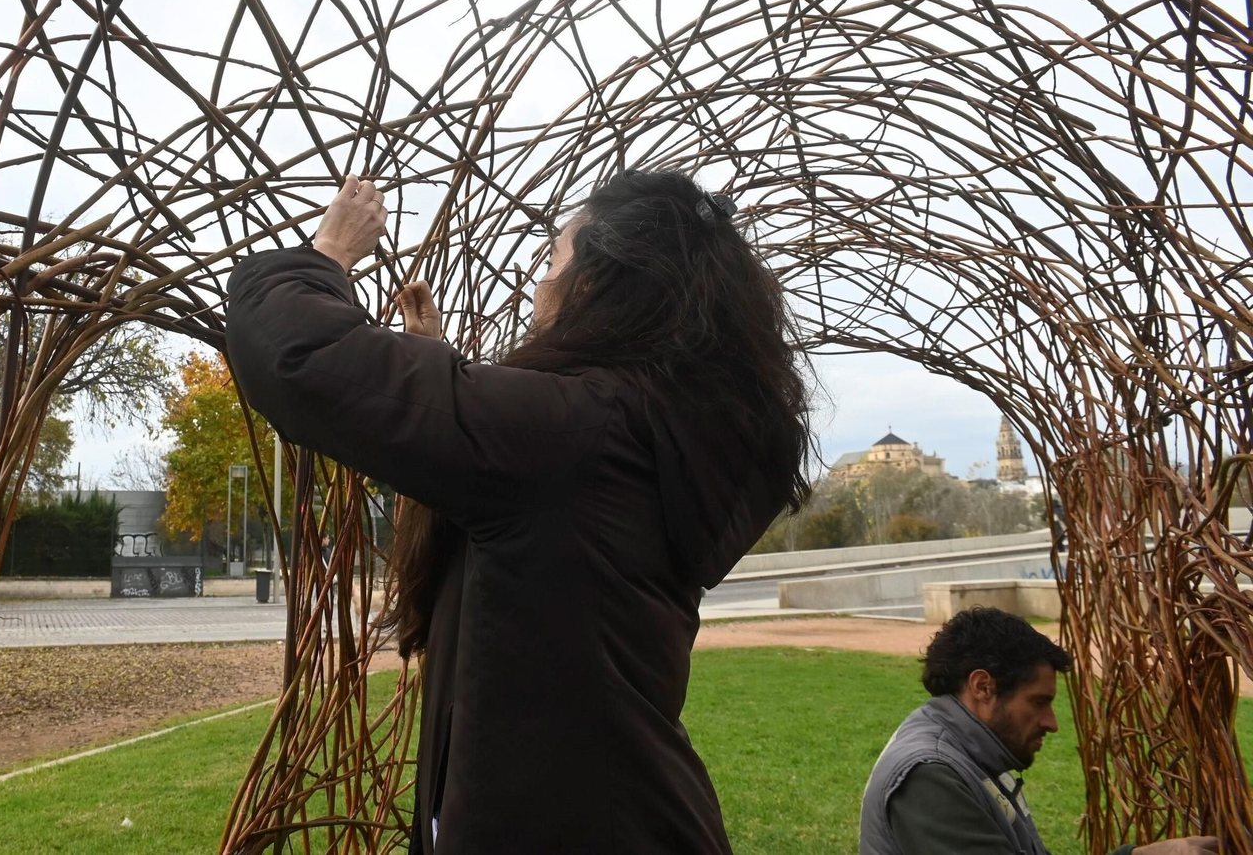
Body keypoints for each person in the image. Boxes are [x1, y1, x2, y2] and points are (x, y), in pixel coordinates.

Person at [226, 170, 813, 854]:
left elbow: (300, 356)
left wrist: (326, 253)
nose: (538, 282)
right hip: (626, 815)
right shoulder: (641, 434)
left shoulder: (577, 433)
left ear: (593, 283)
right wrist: (431, 364)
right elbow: (510, 523)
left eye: (552, 260)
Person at [860, 606, 1220, 855]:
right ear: (983, 687)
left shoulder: (970, 750)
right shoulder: (929, 775)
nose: (1052, 723)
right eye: (1038, 702)